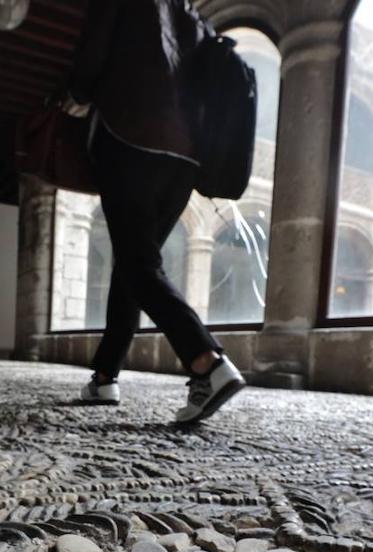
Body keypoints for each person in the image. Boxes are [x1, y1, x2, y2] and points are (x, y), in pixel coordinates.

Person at [65, 0, 246, 424]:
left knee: (138, 263)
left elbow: (92, 57)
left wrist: (74, 92)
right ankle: (106, 376)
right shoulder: (198, 20)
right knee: (135, 262)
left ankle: (207, 361)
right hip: (185, 160)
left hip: (132, 136)